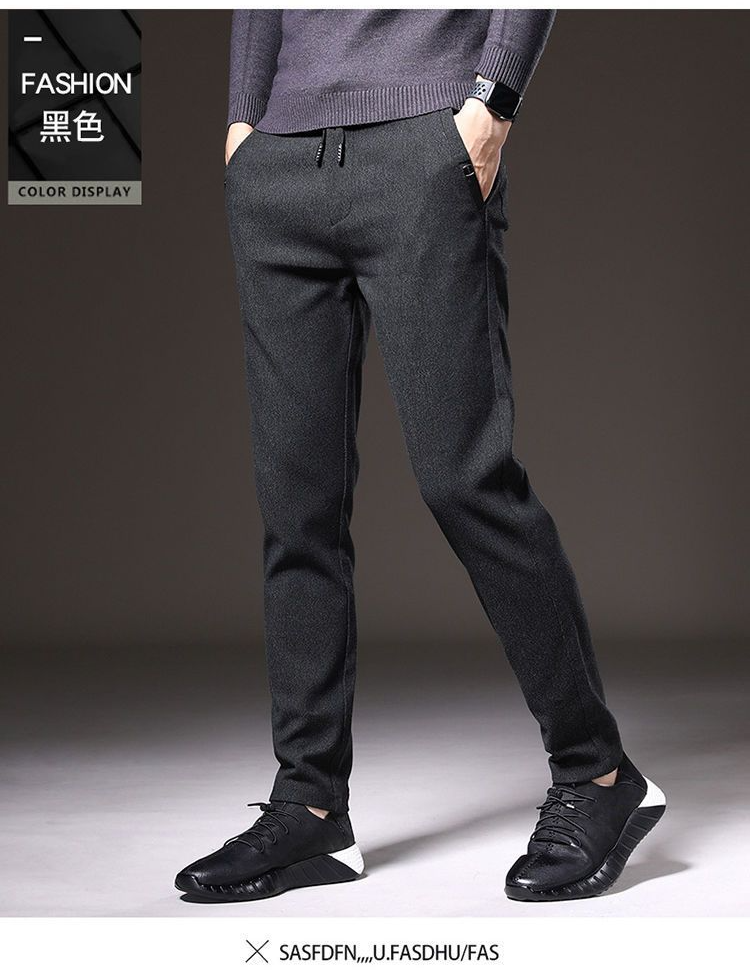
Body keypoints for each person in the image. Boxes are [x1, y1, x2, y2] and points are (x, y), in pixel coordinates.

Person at [175, 9, 665, 904]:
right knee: (296, 503)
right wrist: (244, 120)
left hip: (424, 143)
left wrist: (492, 103)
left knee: (465, 479)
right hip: (279, 163)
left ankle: (597, 771)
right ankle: (310, 805)